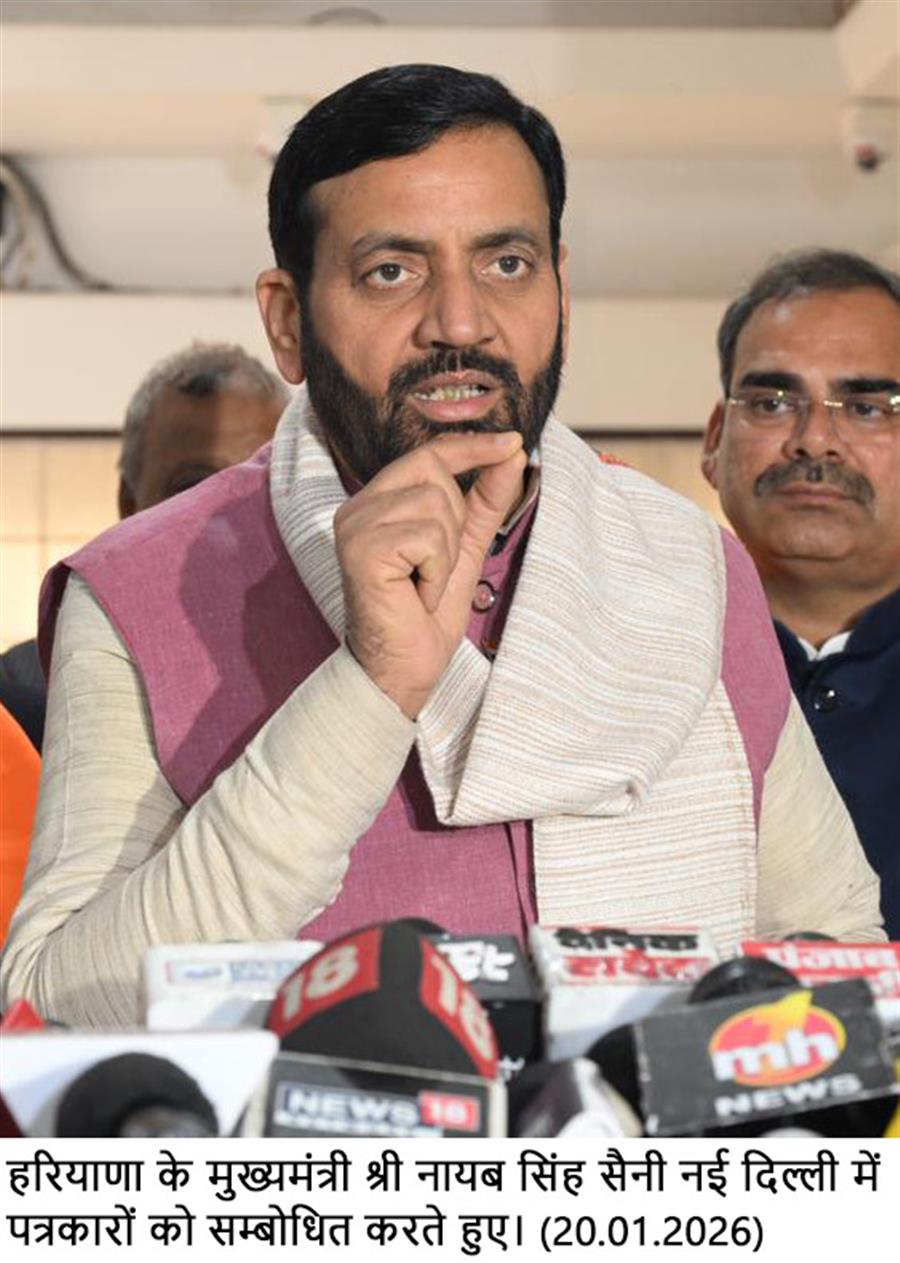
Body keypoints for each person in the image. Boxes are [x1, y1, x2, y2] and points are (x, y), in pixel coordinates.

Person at [1, 66, 882, 1028]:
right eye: (393, 271)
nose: (461, 323)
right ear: (289, 323)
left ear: (561, 290)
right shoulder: (139, 592)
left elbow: (839, 953)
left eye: (507, 264)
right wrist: (367, 692)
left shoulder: (689, 568)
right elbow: (55, 1013)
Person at [702, 250, 900, 938]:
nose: (815, 440)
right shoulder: (623, 660)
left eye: (868, 407)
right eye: (773, 403)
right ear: (715, 441)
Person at [0, 342, 288, 733]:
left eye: (258, 488)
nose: (231, 520)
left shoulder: (325, 677)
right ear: (129, 503)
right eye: (195, 487)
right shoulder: (27, 692)